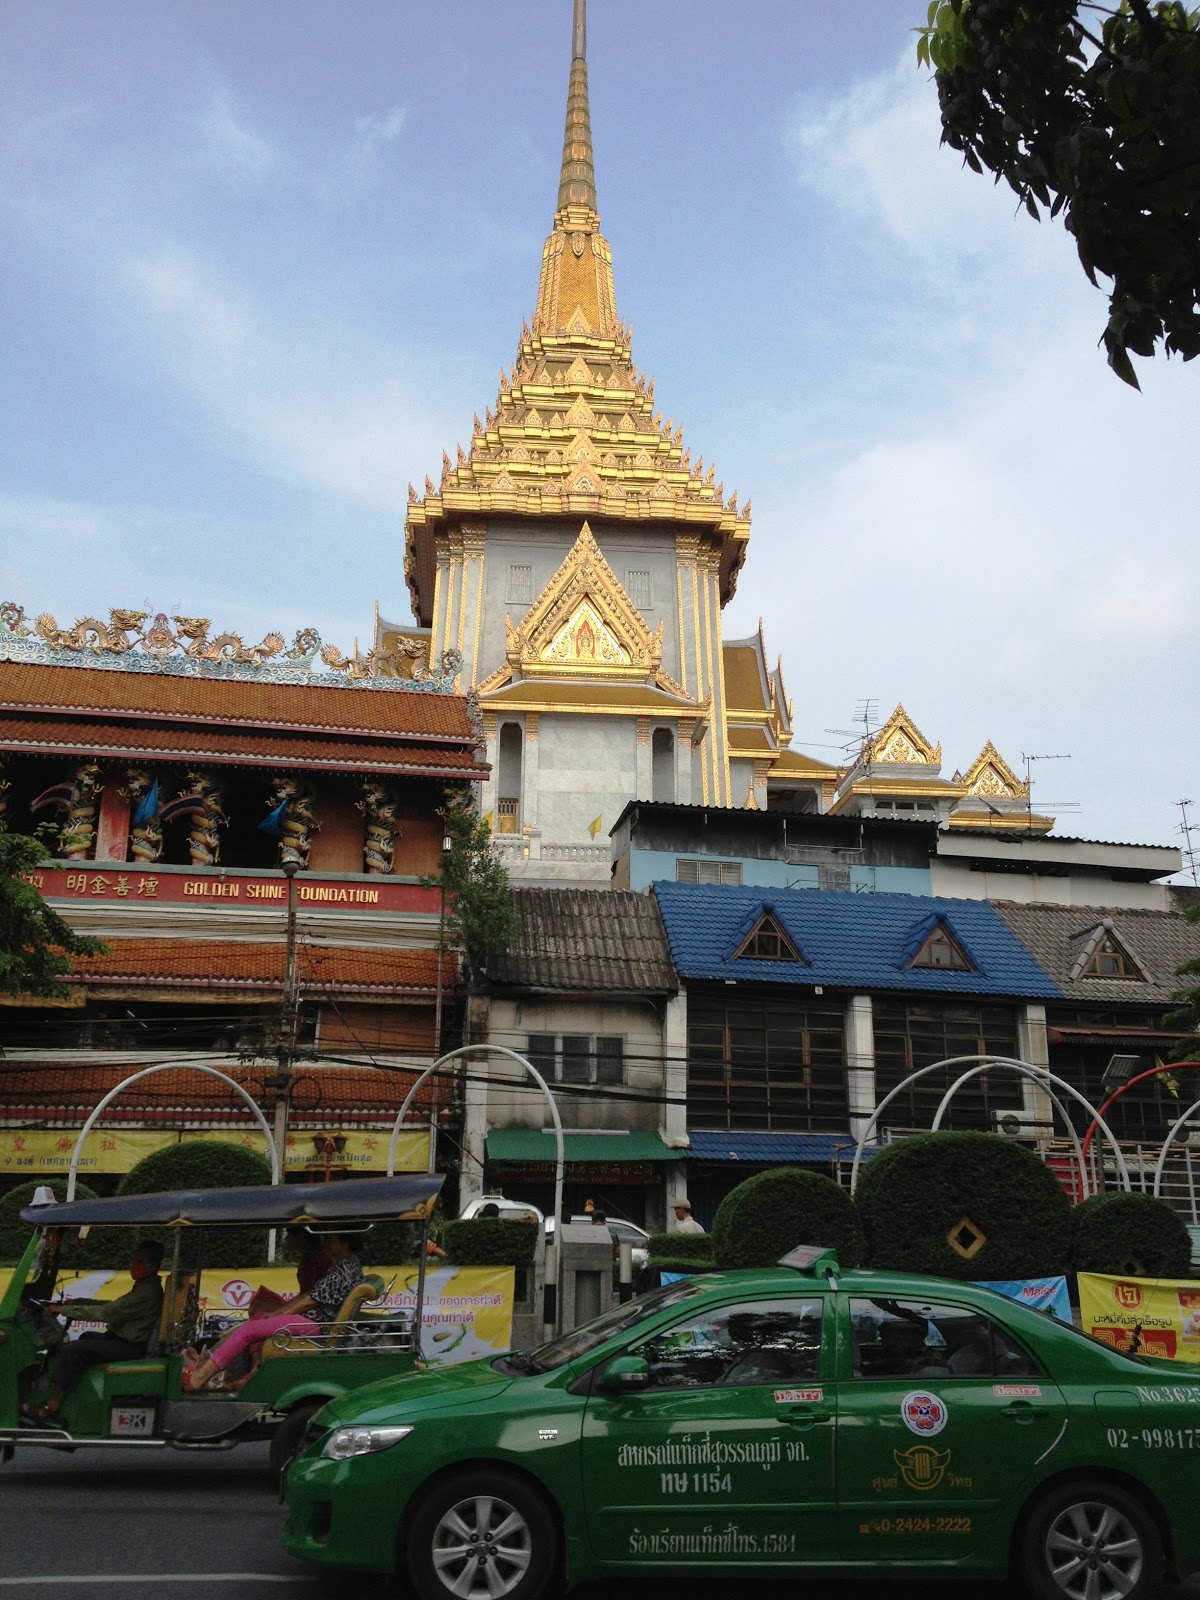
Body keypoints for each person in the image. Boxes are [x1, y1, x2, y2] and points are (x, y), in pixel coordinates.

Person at [184, 1233, 364, 1392]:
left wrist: (280, 1314)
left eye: (331, 1238)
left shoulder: (341, 1271)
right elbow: (311, 1295)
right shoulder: (350, 1266)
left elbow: (311, 1299)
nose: (326, 1241)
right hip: (318, 1321)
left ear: (344, 1242)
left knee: (248, 1330)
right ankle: (251, 1370)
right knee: (257, 1322)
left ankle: (199, 1378)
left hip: (317, 1324)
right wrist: (279, 1313)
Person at [23, 1240, 165, 1423]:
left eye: (139, 1261)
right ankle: (77, 1395)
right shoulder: (145, 1287)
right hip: (124, 1340)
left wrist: (63, 1310)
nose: (133, 1265)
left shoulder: (147, 1292)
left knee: (72, 1350)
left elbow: (108, 1313)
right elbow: (114, 1306)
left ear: (152, 1266)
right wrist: (77, 1303)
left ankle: (52, 1407)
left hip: (130, 1346)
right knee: (86, 1337)